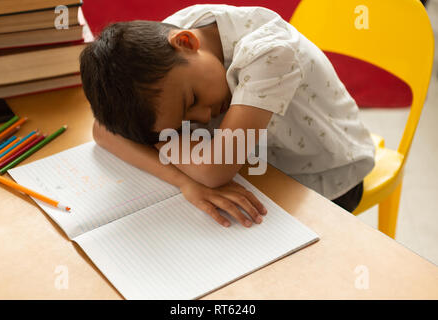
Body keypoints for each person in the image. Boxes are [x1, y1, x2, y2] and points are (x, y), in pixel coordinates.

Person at [79, 4, 375, 228]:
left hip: (326, 176)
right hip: (256, 167)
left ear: (186, 42)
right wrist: (185, 182)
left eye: (192, 99)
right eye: (181, 123)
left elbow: (215, 170)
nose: (203, 114)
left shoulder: (270, 54)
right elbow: (103, 131)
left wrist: (157, 141)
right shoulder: (167, 57)